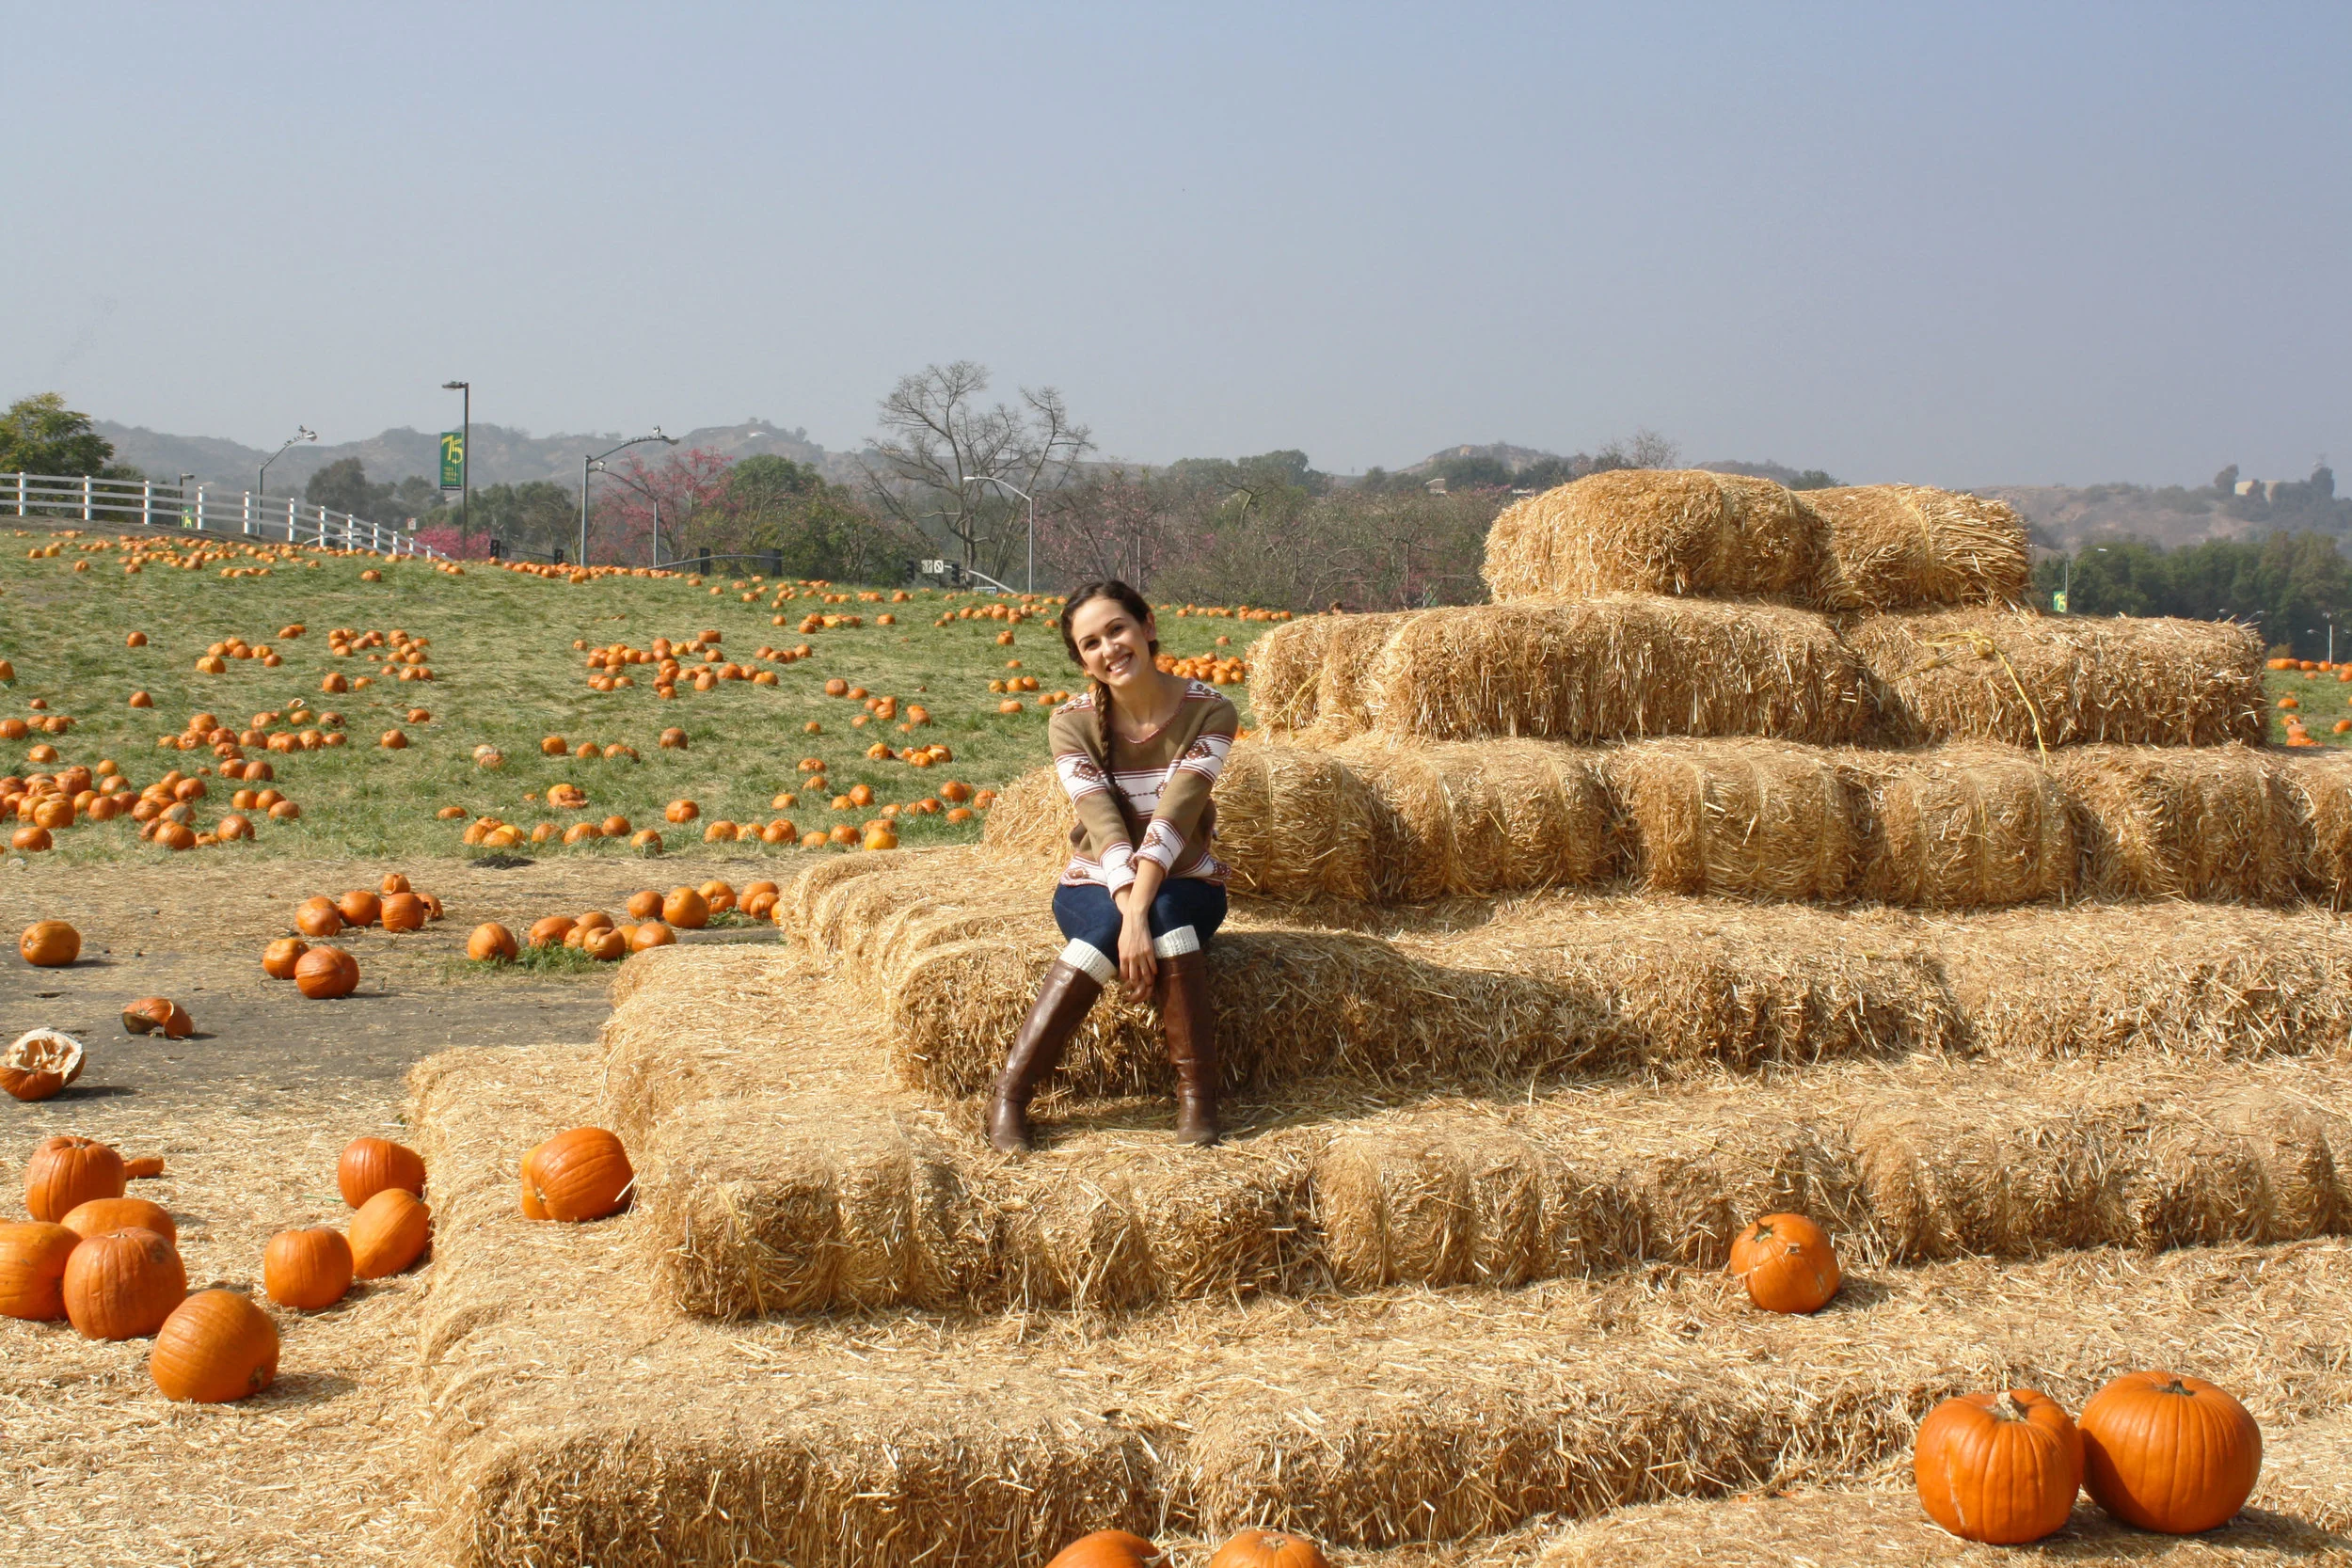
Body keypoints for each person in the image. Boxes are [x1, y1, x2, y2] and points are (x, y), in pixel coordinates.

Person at [987, 579, 1237, 1153]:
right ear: (1082, 659)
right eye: (1091, 643)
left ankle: (1197, 1100)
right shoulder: (1070, 723)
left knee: (1170, 921)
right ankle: (1009, 1098)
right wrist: (1127, 915)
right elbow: (1101, 825)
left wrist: (1139, 915)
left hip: (1187, 877)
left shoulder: (1212, 711)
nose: (1109, 649)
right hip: (1094, 879)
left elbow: (1175, 820)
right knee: (1101, 932)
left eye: (1117, 629)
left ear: (1146, 626)